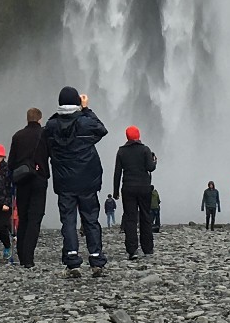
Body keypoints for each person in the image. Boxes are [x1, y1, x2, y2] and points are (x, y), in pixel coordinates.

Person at [45, 86, 109, 275]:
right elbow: (102, 130)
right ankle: (96, 259)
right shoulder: (85, 122)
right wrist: (86, 109)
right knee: (91, 220)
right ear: (77, 103)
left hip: (64, 182)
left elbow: (47, 139)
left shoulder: (51, 125)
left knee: (68, 221)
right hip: (87, 181)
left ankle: (72, 260)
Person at [8, 109, 50, 268]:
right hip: (39, 179)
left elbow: (11, 163)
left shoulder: (17, 136)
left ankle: (21, 255)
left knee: (23, 217)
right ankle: (29, 257)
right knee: (35, 218)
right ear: (40, 119)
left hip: (22, 180)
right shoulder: (44, 134)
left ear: (27, 119)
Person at [112, 125, 158, 260]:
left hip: (128, 188)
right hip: (144, 187)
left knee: (130, 219)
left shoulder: (121, 151)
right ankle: (148, 249)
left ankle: (132, 250)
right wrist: (154, 161)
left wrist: (115, 191)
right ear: (138, 136)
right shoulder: (145, 150)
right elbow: (150, 168)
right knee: (145, 217)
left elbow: (117, 173)